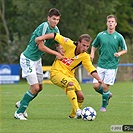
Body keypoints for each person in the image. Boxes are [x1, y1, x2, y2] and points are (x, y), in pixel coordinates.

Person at [35, 32, 103, 118]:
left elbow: (91, 69)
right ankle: (78, 110)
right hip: (56, 72)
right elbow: (55, 35)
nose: (85, 48)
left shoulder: (85, 56)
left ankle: (73, 116)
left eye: (87, 46)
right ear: (78, 43)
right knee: (70, 84)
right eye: (83, 45)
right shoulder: (68, 43)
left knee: (81, 97)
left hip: (69, 75)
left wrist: (99, 79)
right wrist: (41, 38)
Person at [14, 8, 63, 120]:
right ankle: (19, 112)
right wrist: (56, 53)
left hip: (37, 60)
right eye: (53, 19)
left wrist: (61, 50)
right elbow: (40, 46)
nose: (55, 21)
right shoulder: (44, 27)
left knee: (39, 88)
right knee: (35, 87)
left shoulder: (56, 30)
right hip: (28, 59)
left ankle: (22, 102)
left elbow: (57, 44)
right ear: (48, 18)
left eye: (57, 20)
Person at [90, 15, 127, 112]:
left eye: (112, 21)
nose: (110, 23)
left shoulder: (119, 37)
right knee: (96, 86)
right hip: (101, 64)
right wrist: (92, 54)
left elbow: (125, 49)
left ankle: (103, 106)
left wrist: (119, 53)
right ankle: (107, 95)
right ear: (107, 23)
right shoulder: (101, 35)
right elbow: (94, 46)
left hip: (111, 66)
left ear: (115, 24)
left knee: (105, 86)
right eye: (109, 21)